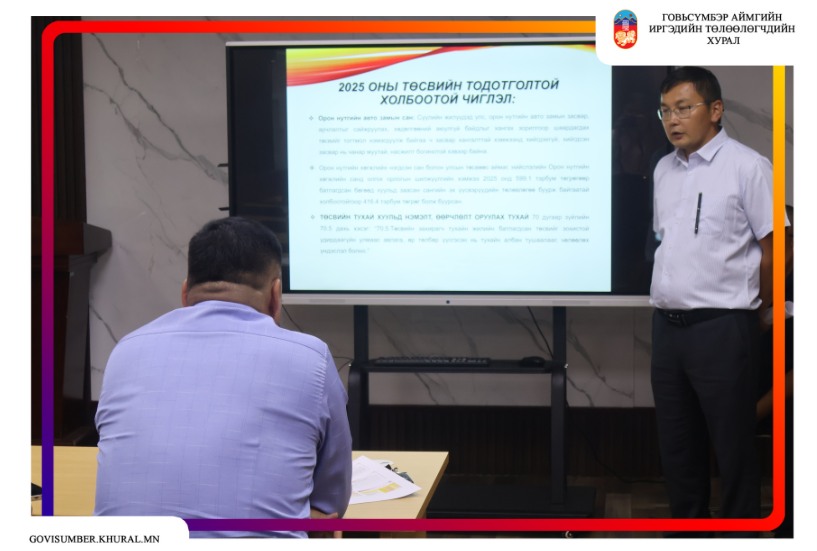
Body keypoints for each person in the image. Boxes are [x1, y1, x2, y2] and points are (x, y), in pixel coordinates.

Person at [93, 216, 352, 538]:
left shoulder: (126, 351)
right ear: (275, 294)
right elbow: (329, 506)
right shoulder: (311, 358)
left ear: (185, 294)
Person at [649, 66, 777, 530]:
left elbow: (776, 247)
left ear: (716, 110)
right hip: (667, 329)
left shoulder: (748, 166)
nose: (673, 120)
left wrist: (760, 309)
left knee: (732, 445)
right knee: (678, 444)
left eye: (684, 108)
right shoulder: (663, 169)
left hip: (723, 328)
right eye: (665, 111)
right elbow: (667, 240)